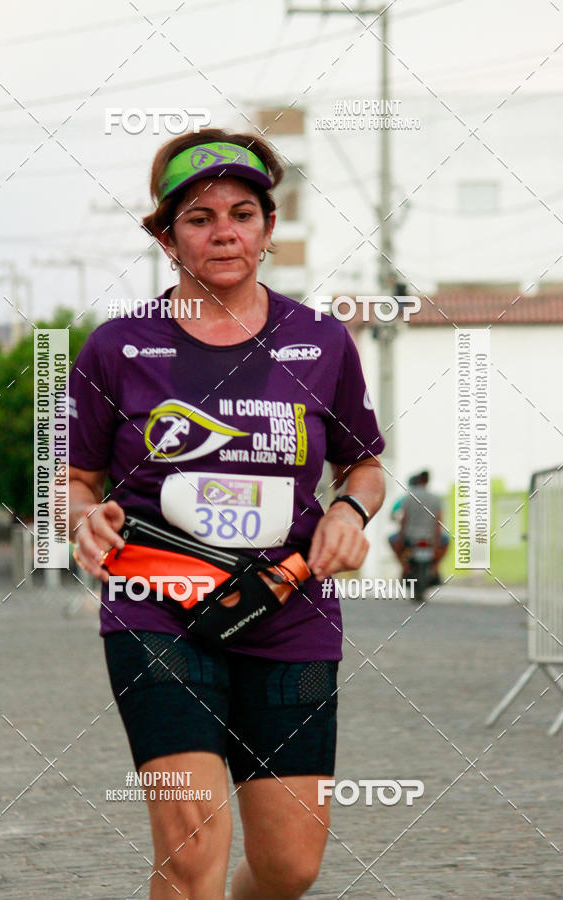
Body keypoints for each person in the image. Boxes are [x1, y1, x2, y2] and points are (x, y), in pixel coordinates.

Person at [68, 127, 385, 899]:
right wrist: (81, 517)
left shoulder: (320, 342)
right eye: (200, 218)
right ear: (167, 237)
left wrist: (349, 511)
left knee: (289, 867)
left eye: (242, 215)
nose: (224, 233)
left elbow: (365, 465)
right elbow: (75, 478)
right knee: (191, 846)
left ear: (268, 229)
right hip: (157, 604)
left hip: (288, 606)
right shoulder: (118, 347)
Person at [389, 470, 449, 583]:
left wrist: (400, 539)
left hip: (410, 536)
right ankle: (436, 568)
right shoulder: (436, 499)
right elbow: (438, 522)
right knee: (447, 540)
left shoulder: (407, 498)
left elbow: (403, 520)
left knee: (391, 539)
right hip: (430, 536)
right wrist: (436, 543)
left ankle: (405, 568)